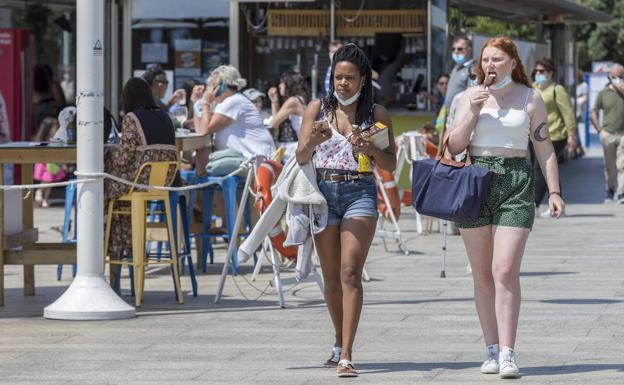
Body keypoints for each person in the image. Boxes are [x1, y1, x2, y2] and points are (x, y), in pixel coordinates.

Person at [448, 36, 565, 379]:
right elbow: (454, 145)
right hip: (475, 180)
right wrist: (472, 110)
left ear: (513, 62)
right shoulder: (469, 97)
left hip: (515, 179)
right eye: (485, 60)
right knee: (482, 274)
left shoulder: (531, 98)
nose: (490, 66)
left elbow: (544, 149)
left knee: (504, 270)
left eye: (497, 60)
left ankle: (508, 352)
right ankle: (491, 348)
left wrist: (555, 192)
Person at [296, 43, 396, 378]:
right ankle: (338, 341)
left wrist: (368, 146)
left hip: (359, 193)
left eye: (349, 78)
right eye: (338, 77)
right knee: (330, 278)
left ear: (363, 80)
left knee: (350, 271)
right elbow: (300, 156)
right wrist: (314, 140)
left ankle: (347, 354)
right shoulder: (318, 108)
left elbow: (390, 165)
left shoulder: (376, 115)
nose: (342, 84)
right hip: (323, 194)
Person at [104, 77, 178, 258]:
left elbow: (123, 158)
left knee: (103, 188)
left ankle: (110, 247)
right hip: (163, 184)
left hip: (139, 182)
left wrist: (110, 152)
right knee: (120, 195)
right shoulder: (165, 116)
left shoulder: (132, 118)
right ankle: (128, 246)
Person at [194, 65, 276, 163]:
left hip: (255, 161)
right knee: (202, 150)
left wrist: (206, 103)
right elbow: (199, 130)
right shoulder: (229, 101)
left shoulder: (233, 102)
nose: (208, 90)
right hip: (250, 159)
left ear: (221, 87)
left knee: (205, 157)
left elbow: (205, 130)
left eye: (211, 85)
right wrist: (197, 102)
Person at [532, 58, 577, 216]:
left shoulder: (557, 90)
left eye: (542, 71)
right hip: (536, 136)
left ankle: (534, 205)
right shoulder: (533, 88)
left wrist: (572, 135)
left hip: (555, 135)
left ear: (550, 73)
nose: (538, 74)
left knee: (540, 168)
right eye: (536, 71)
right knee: (549, 170)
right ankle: (558, 205)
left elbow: (567, 113)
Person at [590, 63, 624, 203]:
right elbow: (594, 112)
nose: (617, 78)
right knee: (610, 166)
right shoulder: (603, 93)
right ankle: (610, 190)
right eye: (614, 76)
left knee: (622, 165)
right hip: (608, 133)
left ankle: (622, 193)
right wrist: (599, 130)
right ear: (609, 77)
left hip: (623, 134)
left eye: (620, 76)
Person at [268, 70, 310, 153]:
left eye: (282, 83)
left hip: (301, 148)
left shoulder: (293, 101)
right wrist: (274, 101)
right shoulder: (301, 99)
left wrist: (274, 102)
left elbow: (273, 124)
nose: (279, 86)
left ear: (289, 84)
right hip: (305, 146)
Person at [33, 117, 66, 208]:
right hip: (44, 163)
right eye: (54, 127)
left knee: (50, 182)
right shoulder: (42, 140)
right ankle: (39, 191)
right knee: (47, 180)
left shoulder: (56, 138)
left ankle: (45, 199)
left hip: (52, 163)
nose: (56, 129)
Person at [444, 34, 475, 111]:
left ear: (469, 49)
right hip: (449, 113)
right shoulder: (456, 68)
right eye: (453, 49)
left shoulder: (473, 69)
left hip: (461, 113)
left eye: (460, 49)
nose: (456, 51)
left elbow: (471, 95)